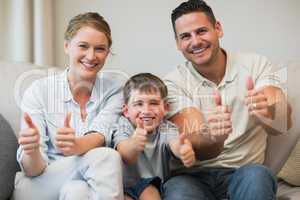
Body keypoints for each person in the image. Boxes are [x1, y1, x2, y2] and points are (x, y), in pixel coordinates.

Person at [163, 0, 292, 200]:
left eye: (201, 31)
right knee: (178, 192)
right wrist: (213, 137)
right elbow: (195, 145)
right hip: (191, 177)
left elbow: (282, 123)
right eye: (186, 36)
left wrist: (271, 111)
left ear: (218, 29)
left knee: (259, 176)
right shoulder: (173, 82)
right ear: (178, 43)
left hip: (245, 172)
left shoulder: (256, 64)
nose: (195, 41)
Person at [13, 12, 125, 200]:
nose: (91, 56)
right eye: (83, 46)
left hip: (85, 180)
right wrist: (31, 150)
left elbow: (99, 135)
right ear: (67, 46)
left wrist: (75, 145)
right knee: (108, 157)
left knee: (77, 191)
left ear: (107, 52)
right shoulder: (39, 91)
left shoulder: (115, 91)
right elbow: (33, 170)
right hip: (39, 183)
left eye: (100, 49)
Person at [112, 73, 196, 200]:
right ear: (126, 111)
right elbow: (124, 153)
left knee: (149, 191)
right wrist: (134, 144)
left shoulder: (166, 128)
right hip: (125, 186)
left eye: (154, 103)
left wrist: (183, 151)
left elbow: (174, 143)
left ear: (166, 108)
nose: (146, 110)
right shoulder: (124, 125)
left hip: (156, 186)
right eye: (139, 104)